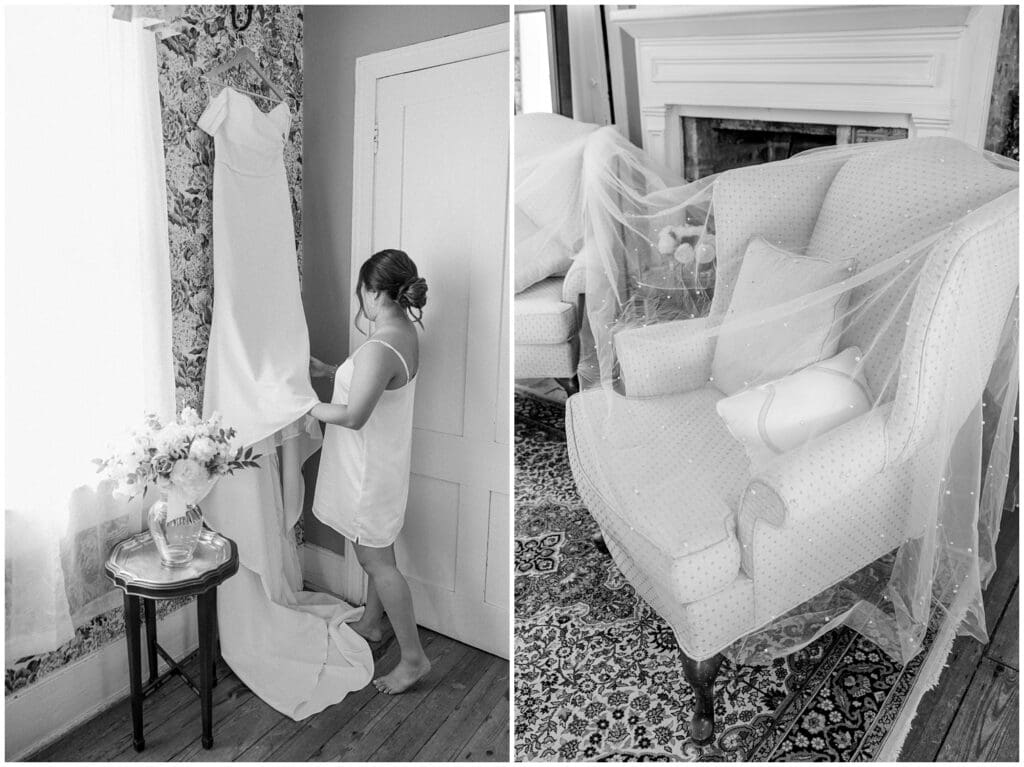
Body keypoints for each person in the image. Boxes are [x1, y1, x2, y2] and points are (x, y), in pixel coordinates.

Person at [307, 248, 430, 695]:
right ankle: (374, 623)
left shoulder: (381, 345)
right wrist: (330, 369)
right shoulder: (405, 332)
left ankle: (414, 658)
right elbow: (372, 379)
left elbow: (355, 414)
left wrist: (304, 407)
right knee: (383, 552)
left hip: (368, 473)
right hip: (384, 465)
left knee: (377, 562)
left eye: (361, 290)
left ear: (373, 291)